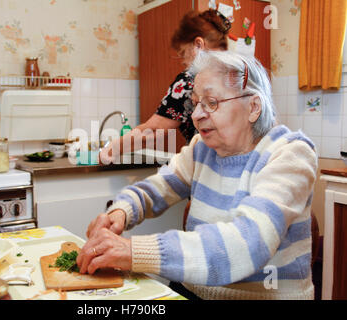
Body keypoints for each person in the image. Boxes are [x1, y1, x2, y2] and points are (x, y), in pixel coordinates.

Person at [77, 50, 318, 300]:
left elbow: (248, 244)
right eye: (195, 103)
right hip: (191, 290)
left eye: (211, 103)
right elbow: (156, 188)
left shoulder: (290, 154)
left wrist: (133, 251)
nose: (195, 115)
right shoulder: (201, 148)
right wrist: (121, 211)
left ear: (253, 107)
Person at [99, 9, 231, 164]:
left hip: (211, 170)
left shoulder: (191, 80)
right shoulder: (238, 75)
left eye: (183, 53)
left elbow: (153, 132)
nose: (182, 61)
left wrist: (112, 148)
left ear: (198, 45)